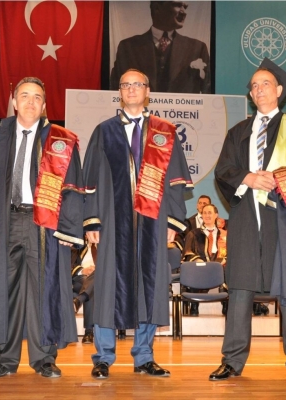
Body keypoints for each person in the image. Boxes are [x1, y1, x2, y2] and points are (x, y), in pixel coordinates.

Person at [211, 58, 286, 384]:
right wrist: (248, 178)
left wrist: (280, 179)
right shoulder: (238, 132)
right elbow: (223, 171)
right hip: (247, 217)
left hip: (284, 218)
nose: (259, 89)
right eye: (254, 86)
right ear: (250, 95)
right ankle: (232, 361)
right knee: (240, 289)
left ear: (279, 90)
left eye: (265, 84)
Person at [0, 77, 84, 379]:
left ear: (44, 105)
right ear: (14, 102)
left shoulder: (61, 140)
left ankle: (44, 358)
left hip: (45, 225)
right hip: (6, 222)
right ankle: (4, 359)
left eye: (37, 97)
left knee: (44, 289)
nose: (31, 102)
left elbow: (72, 188)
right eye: (25, 96)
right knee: (5, 289)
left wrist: (68, 230)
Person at [83, 69, 192, 380]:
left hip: (152, 223)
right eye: (126, 85)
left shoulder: (164, 132)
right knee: (107, 286)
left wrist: (173, 220)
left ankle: (144, 356)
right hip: (112, 221)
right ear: (119, 92)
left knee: (150, 286)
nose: (132, 89)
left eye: (138, 84)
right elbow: (90, 181)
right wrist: (92, 221)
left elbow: (175, 181)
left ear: (147, 91)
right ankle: (103, 356)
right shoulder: (104, 131)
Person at [110, 1, 210, 94]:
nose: (184, 12)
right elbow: (114, 91)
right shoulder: (128, 47)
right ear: (157, 8)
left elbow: (209, 91)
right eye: (178, 5)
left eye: (185, 7)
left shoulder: (198, 48)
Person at [182, 203, 226, 316]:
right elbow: (187, 253)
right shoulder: (193, 234)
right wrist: (198, 261)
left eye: (210, 213)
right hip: (200, 269)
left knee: (230, 270)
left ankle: (226, 307)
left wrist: (223, 260)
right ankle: (194, 306)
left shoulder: (224, 235)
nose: (207, 215)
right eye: (204, 213)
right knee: (194, 269)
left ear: (216, 215)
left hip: (220, 268)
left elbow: (231, 252)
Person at [71, 239, 96, 345]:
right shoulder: (78, 245)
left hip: (99, 280)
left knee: (95, 279)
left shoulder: (106, 246)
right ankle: (89, 332)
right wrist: (82, 270)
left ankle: (79, 300)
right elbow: (70, 264)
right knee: (91, 285)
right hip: (80, 279)